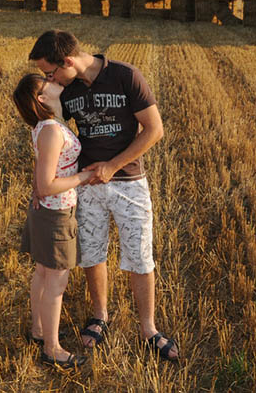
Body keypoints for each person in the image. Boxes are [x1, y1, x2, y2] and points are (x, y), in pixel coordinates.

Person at [29, 30, 179, 361]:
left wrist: (112, 166)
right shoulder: (66, 90)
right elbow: (50, 137)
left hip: (130, 182)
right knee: (92, 253)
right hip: (87, 187)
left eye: (50, 73)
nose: (48, 80)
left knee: (140, 256)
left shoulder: (125, 76)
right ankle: (100, 316)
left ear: (67, 61)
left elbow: (154, 130)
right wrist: (41, 185)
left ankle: (148, 329)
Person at [12, 73, 93, 369]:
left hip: (47, 211)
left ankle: (38, 330)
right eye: (47, 82)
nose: (53, 79)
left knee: (43, 274)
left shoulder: (46, 127)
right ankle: (52, 348)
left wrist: (38, 188)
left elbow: (42, 170)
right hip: (57, 215)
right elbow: (47, 184)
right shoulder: (50, 130)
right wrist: (84, 177)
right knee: (55, 282)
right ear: (42, 98)